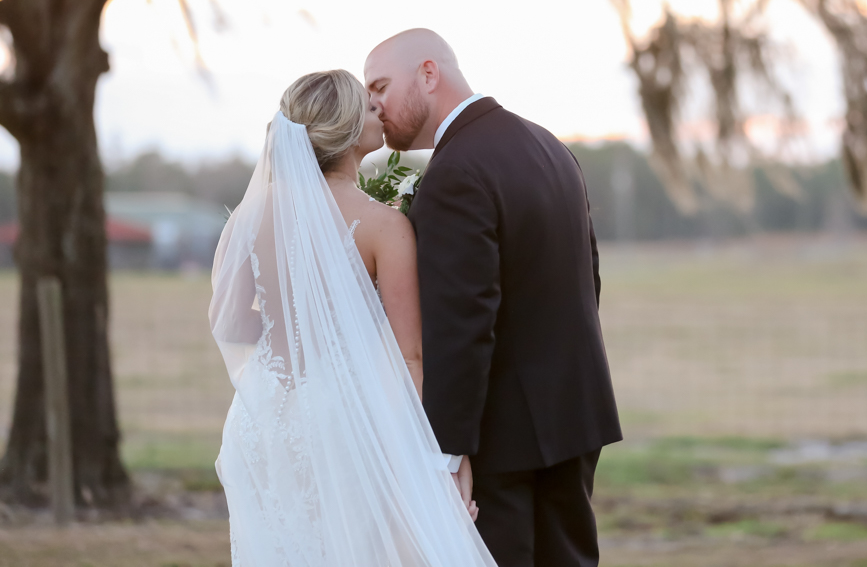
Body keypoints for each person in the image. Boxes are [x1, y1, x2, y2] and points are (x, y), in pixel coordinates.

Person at [210, 69, 495, 567]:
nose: (378, 110)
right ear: (344, 130)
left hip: (262, 420)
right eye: (367, 106)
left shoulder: (248, 216)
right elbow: (410, 357)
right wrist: (430, 464)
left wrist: (289, 327)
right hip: (344, 421)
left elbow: (230, 322)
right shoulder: (384, 227)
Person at [364, 29, 622, 567]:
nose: (375, 107)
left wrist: (446, 451)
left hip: (502, 438)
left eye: (381, 87)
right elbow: (587, 279)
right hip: (574, 415)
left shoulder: (456, 172)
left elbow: (462, 324)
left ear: (428, 74)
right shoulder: (550, 146)